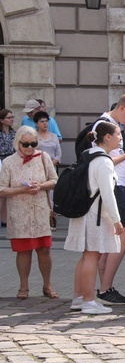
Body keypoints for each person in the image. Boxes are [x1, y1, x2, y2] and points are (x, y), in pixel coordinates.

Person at [87, 92, 125, 306]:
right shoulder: (105, 125)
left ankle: (105, 287)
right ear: (123, 108)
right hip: (114, 186)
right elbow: (104, 160)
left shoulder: (113, 125)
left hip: (118, 185)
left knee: (112, 238)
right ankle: (105, 288)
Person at [64, 122, 124, 314]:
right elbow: (107, 194)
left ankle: (79, 298)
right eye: (118, 134)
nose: (121, 137)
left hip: (85, 212)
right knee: (92, 255)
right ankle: (89, 301)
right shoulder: (104, 161)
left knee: (86, 256)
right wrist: (116, 219)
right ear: (107, 137)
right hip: (96, 215)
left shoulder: (89, 156)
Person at [0, 126, 58, 300]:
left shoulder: (43, 157)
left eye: (33, 144)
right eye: (26, 144)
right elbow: (2, 189)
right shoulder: (9, 162)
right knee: (23, 251)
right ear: (18, 143)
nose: (30, 148)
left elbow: (54, 180)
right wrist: (21, 190)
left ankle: (47, 285)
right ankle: (23, 287)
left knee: (44, 250)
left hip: (40, 211)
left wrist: (40, 186)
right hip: (20, 213)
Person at [33, 110, 62, 231]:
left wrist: (50, 164)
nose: (45, 123)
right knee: (39, 194)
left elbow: (59, 155)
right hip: (36, 168)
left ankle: (51, 219)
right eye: (42, 121)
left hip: (51, 168)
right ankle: (39, 220)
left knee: (51, 195)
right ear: (36, 124)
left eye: (46, 121)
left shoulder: (54, 136)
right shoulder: (33, 136)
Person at [0, 109, 16, 227]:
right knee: (1, 192)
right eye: (8, 117)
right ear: (1, 120)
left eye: (12, 117)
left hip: (12, 163)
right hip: (0, 162)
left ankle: (5, 219)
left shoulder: (14, 133)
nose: (11, 119)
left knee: (8, 193)